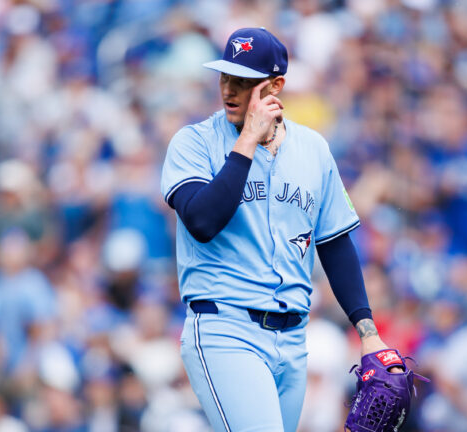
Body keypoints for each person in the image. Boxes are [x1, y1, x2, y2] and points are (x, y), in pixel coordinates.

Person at [160, 27, 396, 431]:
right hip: (225, 326)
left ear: (276, 86)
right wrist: (248, 140)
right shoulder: (194, 143)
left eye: (244, 81)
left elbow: (335, 243)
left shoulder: (313, 149)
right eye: (225, 77)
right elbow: (201, 221)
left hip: (292, 340)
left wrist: (367, 330)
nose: (230, 90)